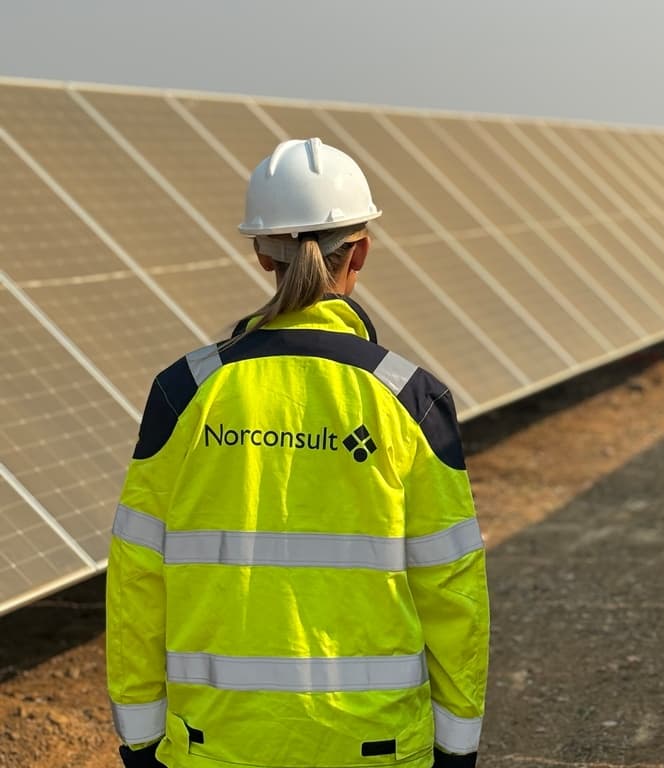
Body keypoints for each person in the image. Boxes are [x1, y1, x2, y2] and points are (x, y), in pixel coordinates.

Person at [106, 137, 489, 768]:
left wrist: (141, 740)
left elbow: (137, 577)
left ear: (262, 253)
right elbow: (453, 590)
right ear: (361, 249)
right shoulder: (411, 399)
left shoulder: (186, 392)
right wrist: (457, 748)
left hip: (214, 746)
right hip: (376, 748)